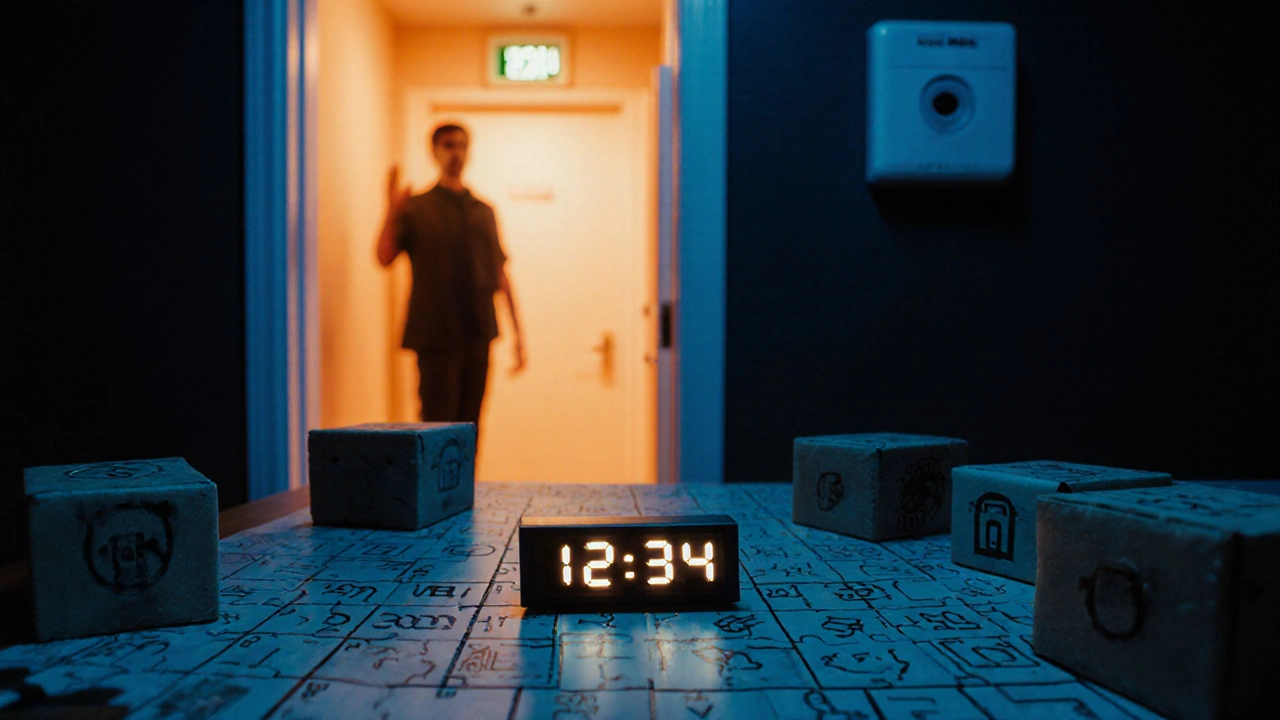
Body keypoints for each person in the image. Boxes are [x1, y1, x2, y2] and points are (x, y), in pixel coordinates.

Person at [376, 123, 525, 430]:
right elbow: (384, 256)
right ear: (434, 152)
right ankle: (437, 481)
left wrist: (519, 337)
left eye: (460, 145)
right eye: (447, 146)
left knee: (471, 425)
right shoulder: (417, 209)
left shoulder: (483, 211)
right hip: (434, 335)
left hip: (478, 330)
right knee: (436, 425)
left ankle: (467, 481)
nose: (455, 153)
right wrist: (391, 209)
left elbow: (499, 273)